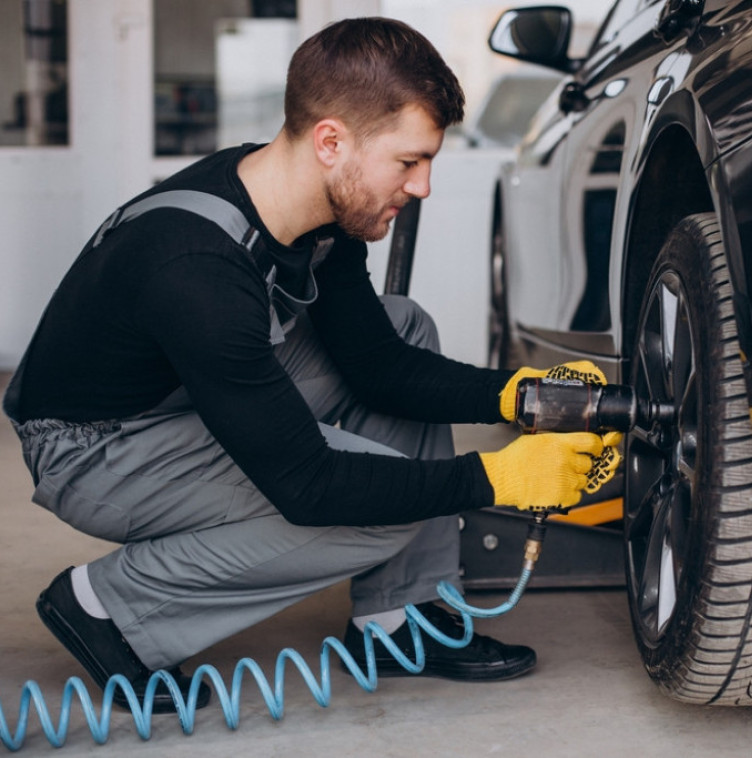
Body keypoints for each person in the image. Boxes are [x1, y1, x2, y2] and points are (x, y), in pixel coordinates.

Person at [2, 17, 619, 713]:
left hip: (174, 396)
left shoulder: (316, 211)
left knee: (402, 323)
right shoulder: (196, 268)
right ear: (331, 142)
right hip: (94, 449)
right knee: (382, 512)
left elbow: (380, 365)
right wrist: (497, 476)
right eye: (409, 162)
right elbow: (308, 485)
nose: (422, 187)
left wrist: (521, 393)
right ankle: (112, 606)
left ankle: (397, 619)